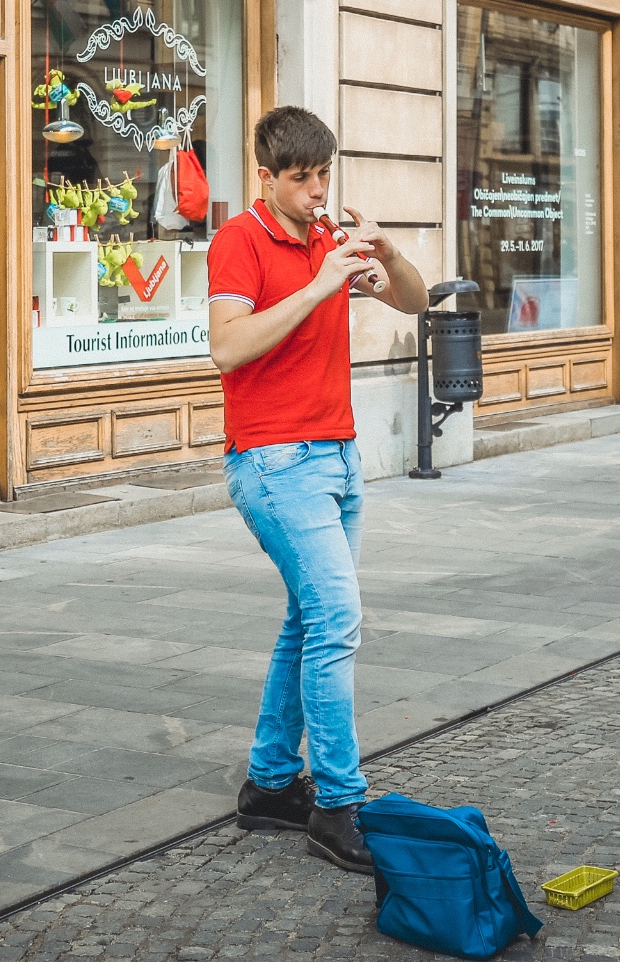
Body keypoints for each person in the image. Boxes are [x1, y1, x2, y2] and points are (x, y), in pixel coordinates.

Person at [206, 106, 428, 874]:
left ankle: (270, 786)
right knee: (336, 618)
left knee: (308, 621)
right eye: (300, 179)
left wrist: (386, 254)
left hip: (336, 456)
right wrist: (319, 286)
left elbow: (417, 301)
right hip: (271, 462)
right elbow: (227, 348)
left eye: (324, 176)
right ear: (265, 177)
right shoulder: (239, 240)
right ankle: (339, 801)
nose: (315, 191)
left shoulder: (330, 237)